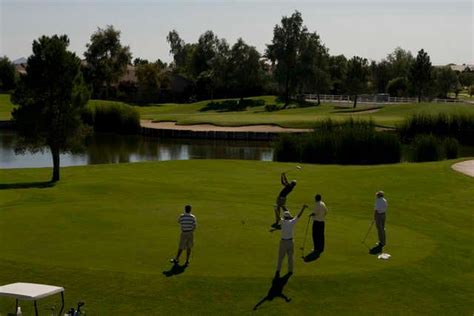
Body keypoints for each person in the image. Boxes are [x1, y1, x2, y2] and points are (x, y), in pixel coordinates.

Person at [276, 204, 307, 276]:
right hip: (290, 242)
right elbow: (299, 216)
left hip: (283, 242)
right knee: (290, 257)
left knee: (280, 257)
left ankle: (278, 270)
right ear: (289, 217)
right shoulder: (292, 222)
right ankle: (290, 271)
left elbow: (278, 217)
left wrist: (275, 209)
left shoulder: (282, 222)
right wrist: (303, 208)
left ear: (284, 217)